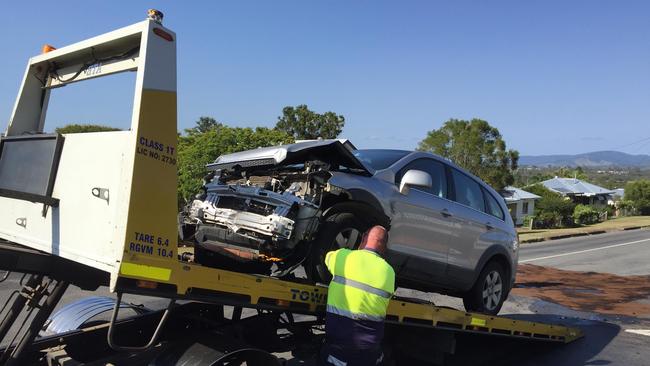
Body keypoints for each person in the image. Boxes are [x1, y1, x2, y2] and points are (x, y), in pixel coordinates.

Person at [319, 225, 396, 366]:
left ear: (363, 239)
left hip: (341, 348)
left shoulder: (344, 257)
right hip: (369, 351)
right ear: (384, 246)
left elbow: (327, 257)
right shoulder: (389, 272)